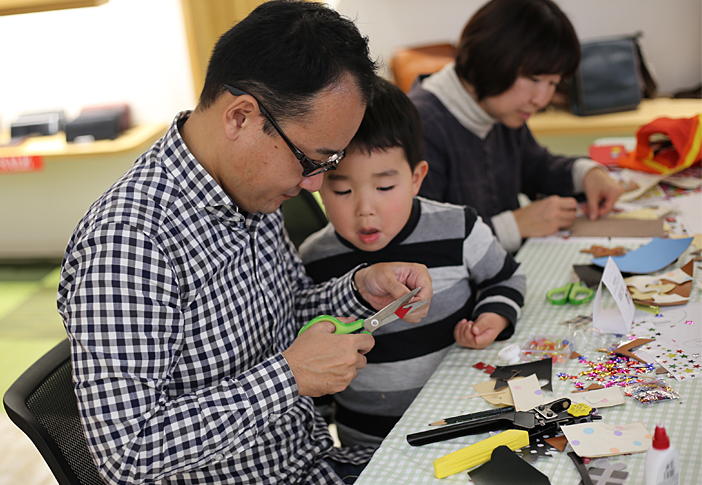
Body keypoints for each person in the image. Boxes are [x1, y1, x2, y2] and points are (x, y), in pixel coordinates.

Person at [56, 2, 432, 484]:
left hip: (313, 462)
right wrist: (288, 377)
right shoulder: (130, 243)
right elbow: (128, 454)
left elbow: (287, 313)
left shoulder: (249, 191)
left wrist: (361, 288)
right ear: (240, 118)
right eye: (311, 159)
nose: (315, 184)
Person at [299, 77, 525, 447]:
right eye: (341, 189)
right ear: (319, 182)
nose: (365, 209)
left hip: (462, 416)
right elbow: (315, 366)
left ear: (416, 177)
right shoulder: (314, 259)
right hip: (368, 440)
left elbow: (507, 279)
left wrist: (492, 319)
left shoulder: (457, 227)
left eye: (385, 187)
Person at [408, 0, 624, 253]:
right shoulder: (419, 125)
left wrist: (588, 173)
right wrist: (512, 227)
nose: (541, 99)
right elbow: (419, 240)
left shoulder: (499, 107)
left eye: (553, 83)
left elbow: (537, 168)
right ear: (490, 56)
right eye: (534, 79)